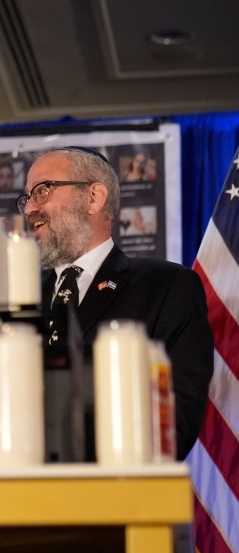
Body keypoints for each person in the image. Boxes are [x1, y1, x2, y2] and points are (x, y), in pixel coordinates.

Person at [18, 146, 213, 459]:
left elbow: (175, 421)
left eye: (42, 191)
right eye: (26, 198)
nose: (29, 210)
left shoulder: (166, 287)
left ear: (94, 197)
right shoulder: (18, 297)